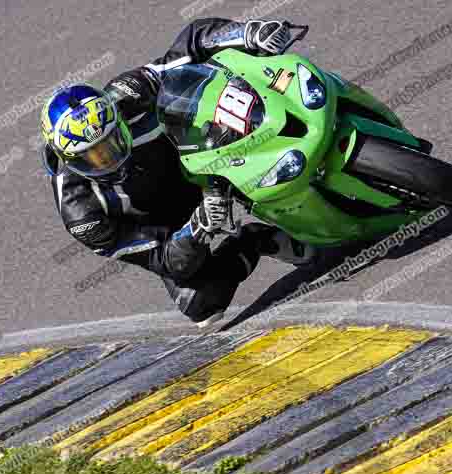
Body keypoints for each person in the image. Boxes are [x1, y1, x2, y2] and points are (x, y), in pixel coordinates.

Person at [40, 18, 315, 327]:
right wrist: (198, 227)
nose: (109, 160)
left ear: (116, 119)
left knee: (231, 81)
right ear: (68, 159)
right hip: (168, 222)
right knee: (200, 305)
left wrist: (246, 33)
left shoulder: (125, 96)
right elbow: (162, 260)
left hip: (203, 155)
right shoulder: (82, 215)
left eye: (112, 142)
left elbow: (187, 47)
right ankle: (256, 240)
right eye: (92, 157)